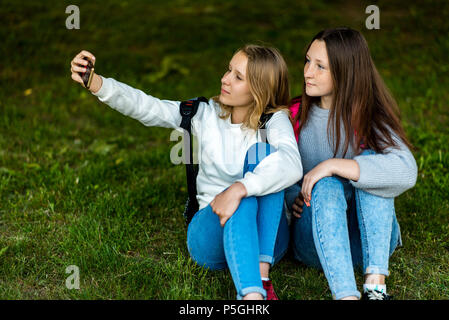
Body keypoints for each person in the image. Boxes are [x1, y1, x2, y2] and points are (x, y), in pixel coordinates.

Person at [70, 45, 302, 300]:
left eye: (238, 77)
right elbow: (149, 107)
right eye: (228, 70)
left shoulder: (271, 121)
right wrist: (97, 83)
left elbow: (291, 162)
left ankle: (256, 285)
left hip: (264, 240)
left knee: (262, 158)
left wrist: (239, 189)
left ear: (260, 89)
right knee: (245, 195)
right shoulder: (202, 114)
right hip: (211, 233)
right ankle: (255, 294)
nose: (224, 79)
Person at [285, 27, 417, 300]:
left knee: (370, 164)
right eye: (308, 61)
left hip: (368, 243)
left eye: (320, 66)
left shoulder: (369, 116)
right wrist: (290, 196)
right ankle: (345, 294)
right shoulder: (294, 116)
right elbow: (273, 168)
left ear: (346, 71)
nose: (308, 72)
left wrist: (333, 164)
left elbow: (406, 171)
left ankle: (375, 285)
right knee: (327, 183)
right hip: (315, 242)